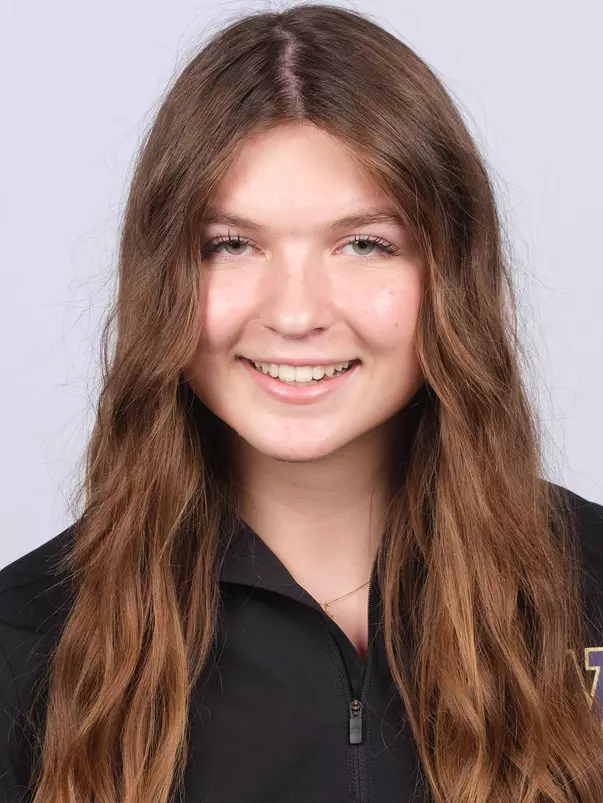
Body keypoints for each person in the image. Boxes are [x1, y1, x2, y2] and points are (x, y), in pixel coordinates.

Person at [1, 4, 603, 802]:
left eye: (363, 243)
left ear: (448, 276)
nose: (294, 312)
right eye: (231, 244)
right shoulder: (27, 641)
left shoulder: (589, 587)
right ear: (165, 280)